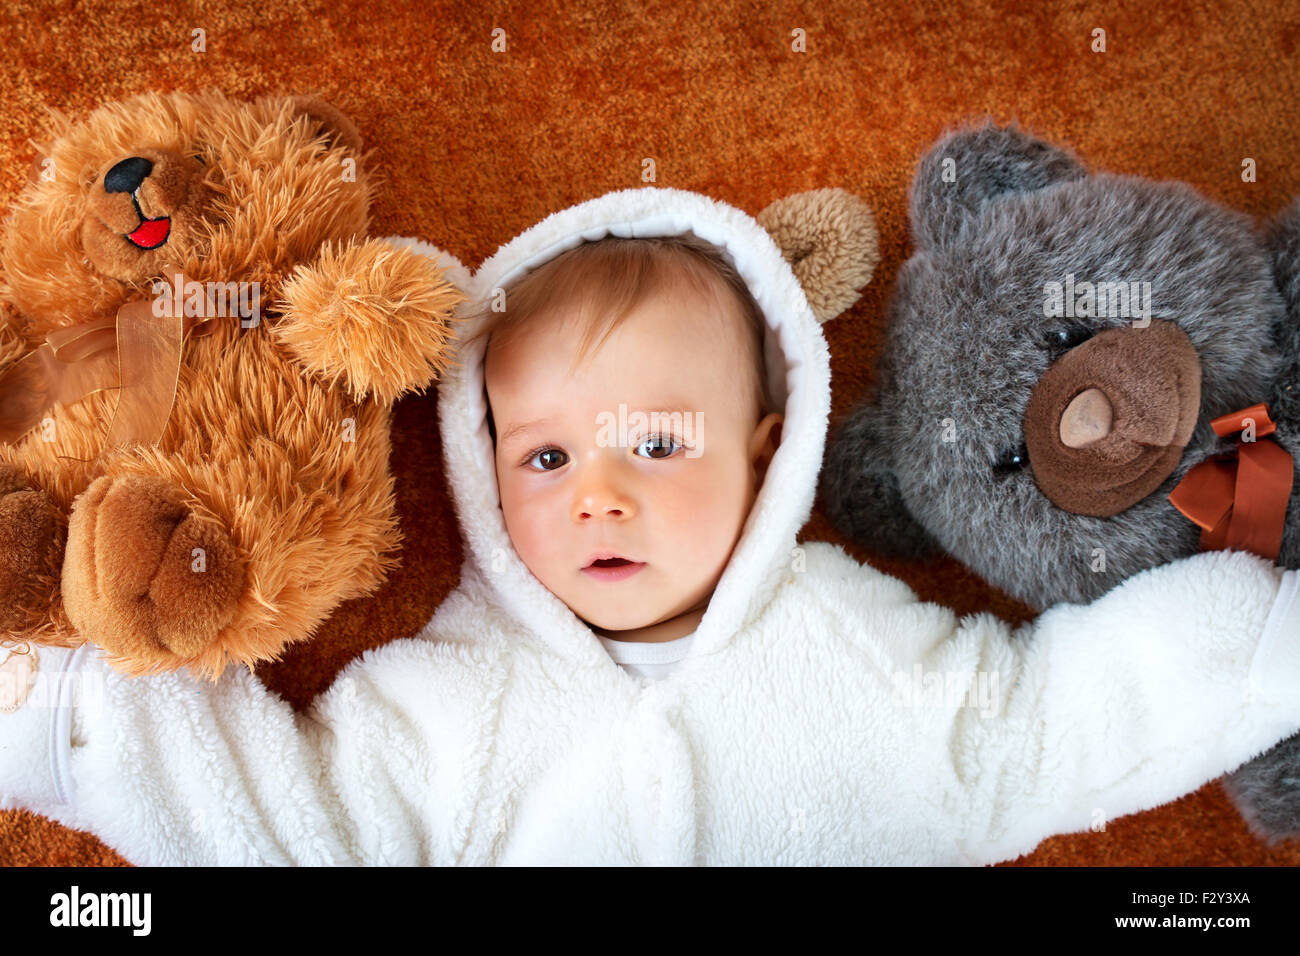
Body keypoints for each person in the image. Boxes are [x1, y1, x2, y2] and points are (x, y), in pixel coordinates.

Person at [1, 186, 1297, 865]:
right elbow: (278, 830)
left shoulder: (865, 652)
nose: (597, 494)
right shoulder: (444, 705)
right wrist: (73, 704)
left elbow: (1050, 732)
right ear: (479, 458)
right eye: (548, 453)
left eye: (657, 444)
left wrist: (1259, 639)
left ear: (768, 451)